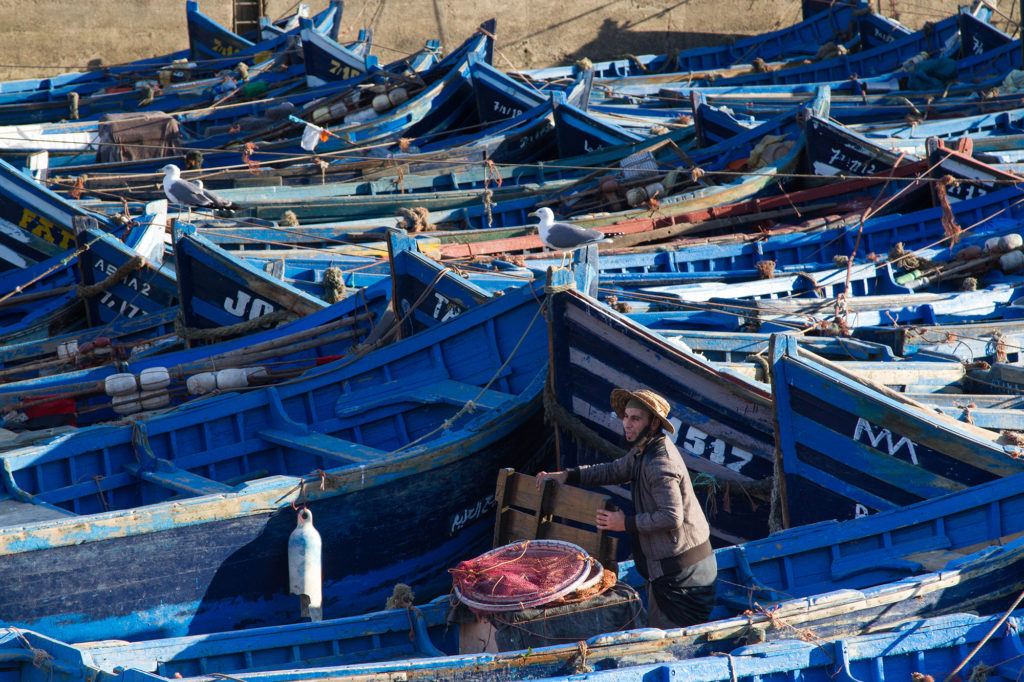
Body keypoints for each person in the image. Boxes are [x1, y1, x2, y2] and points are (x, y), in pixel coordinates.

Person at [536, 388, 717, 629]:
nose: (627, 424)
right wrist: (567, 475)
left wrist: (625, 523)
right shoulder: (643, 451)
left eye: (635, 418)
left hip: (685, 575)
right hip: (668, 569)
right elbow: (614, 470)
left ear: (653, 423)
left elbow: (672, 516)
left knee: (668, 643)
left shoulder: (660, 462)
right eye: (625, 416)